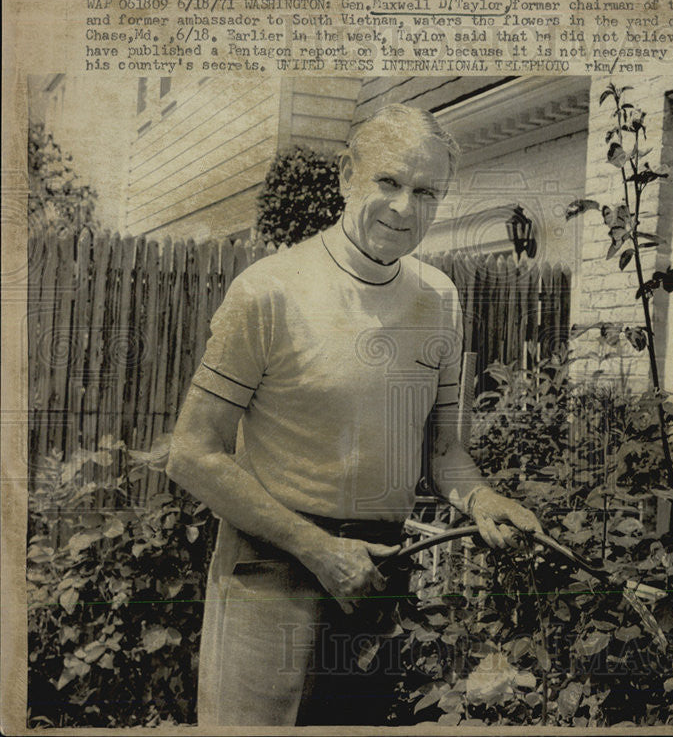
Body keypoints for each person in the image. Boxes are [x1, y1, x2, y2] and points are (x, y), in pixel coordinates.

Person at [166, 104, 542, 726]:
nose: (404, 208)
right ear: (346, 176)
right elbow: (192, 453)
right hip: (271, 570)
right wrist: (316, 547)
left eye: (426, 192)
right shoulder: (270, 290)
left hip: (375, 576)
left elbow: (443, 451)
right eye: (388, 183)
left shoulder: (440, 301)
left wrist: (482, 501)